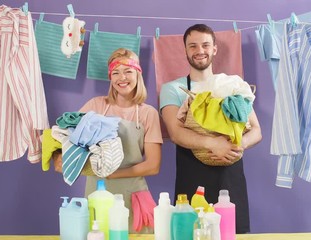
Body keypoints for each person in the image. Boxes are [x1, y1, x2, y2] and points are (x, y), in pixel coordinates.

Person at [159, 24, 262, 234]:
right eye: (193, 46)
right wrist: (213, 143)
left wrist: (236, 145)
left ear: (214, 49)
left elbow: (257, 131)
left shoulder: (233, 85)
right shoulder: (173, 89)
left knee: (232, 234)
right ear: (185, 50)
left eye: (205, 45)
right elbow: (176, 133)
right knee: (190, 233)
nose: (200, 50)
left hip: (230, 176)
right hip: (192, 177)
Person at [54, 48, 163, 233]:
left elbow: (153, 165)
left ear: (138, 74)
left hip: (133, 195)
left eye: (128, 71)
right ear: (110, 78)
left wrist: (111, 174)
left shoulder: (147, 113)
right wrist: (59, 156)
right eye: (116, 72)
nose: (122, 78)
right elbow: (63, 135)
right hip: (97, 193)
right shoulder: (96, 106)